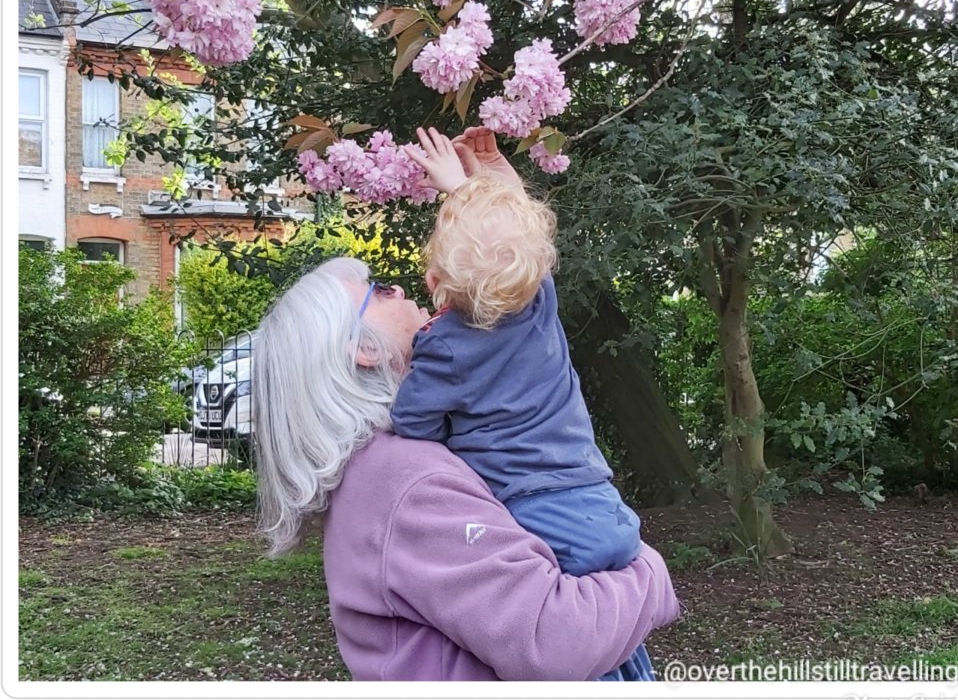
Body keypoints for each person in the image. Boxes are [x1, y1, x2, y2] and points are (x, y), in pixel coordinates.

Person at [252, 256, 681, 681]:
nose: (399, 290)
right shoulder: (407, 481)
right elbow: (553, 641)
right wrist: (649, 571)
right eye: (380, 290)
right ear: (364, 349)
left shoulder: (375, 471)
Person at [393, 127, 655, 680]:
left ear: (436, 280)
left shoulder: (443, 345)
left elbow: (412, 424)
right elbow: (512, 241)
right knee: (615, 634)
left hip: (532, 511)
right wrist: (478, 181)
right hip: (595, 496)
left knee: (575, 644)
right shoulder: (537, 302)